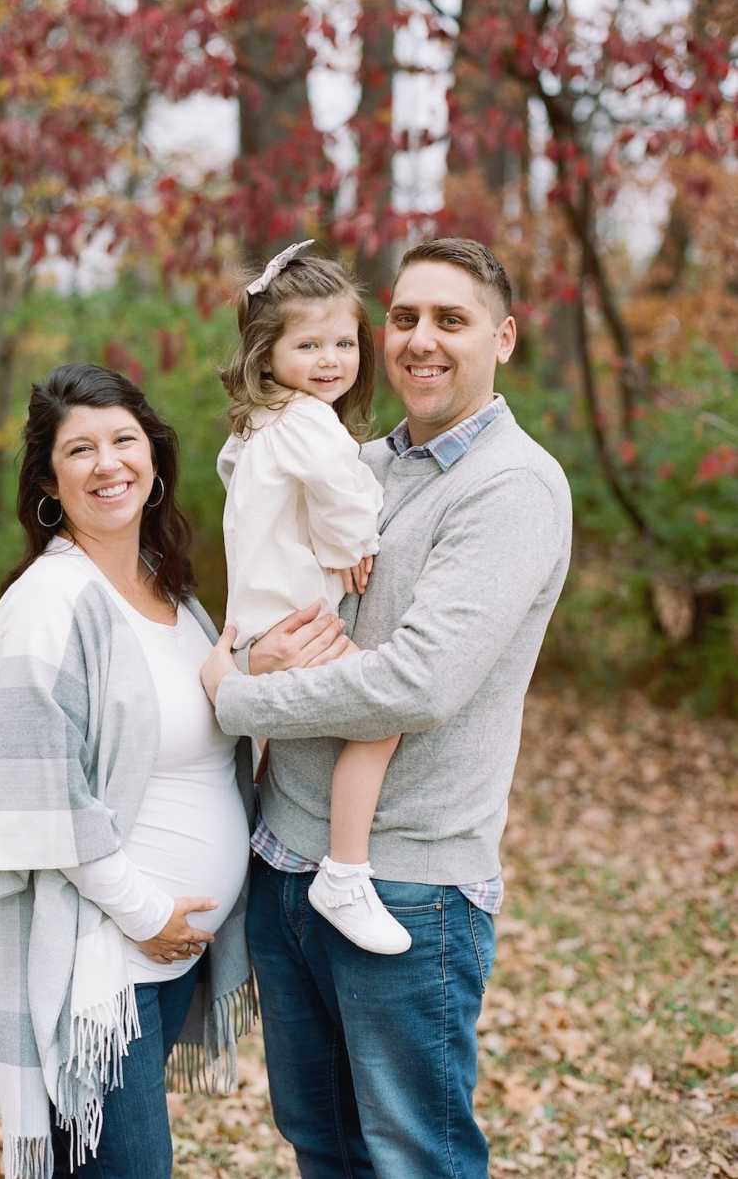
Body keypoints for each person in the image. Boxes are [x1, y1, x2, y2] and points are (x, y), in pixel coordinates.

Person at [201, 238, 573, 1179]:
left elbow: (418, 683)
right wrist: (251, 652)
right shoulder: (359, 457)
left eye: (451, 320)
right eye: (405, 317)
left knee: (413, 1158)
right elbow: (277, 600)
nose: (419, 340)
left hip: (407, 885)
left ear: (506, 337)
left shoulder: (512, 487)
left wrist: (242, 697)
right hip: (286, 861)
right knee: (322, 1145)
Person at [0, 364, 256, 1179]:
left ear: (153, 456)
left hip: (169, 955)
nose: (108, 463)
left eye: (124, 440)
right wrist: (147, 911)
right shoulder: (53, 601)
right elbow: (34, 791)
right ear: (50, 479)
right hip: (105, 958)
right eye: (80, 449)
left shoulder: (171, 589)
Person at [217, 240, 409, 956]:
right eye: (308, 345)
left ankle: (257, 864)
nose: (331, 359)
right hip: (294, 621)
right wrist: (351, 548)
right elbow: (343, 495)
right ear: (266, 354)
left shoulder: (259, 423)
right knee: (380, 715)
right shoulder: (308, 423)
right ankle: (346, 873)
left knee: (274, 756)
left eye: (342, 342)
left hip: (260, 622)